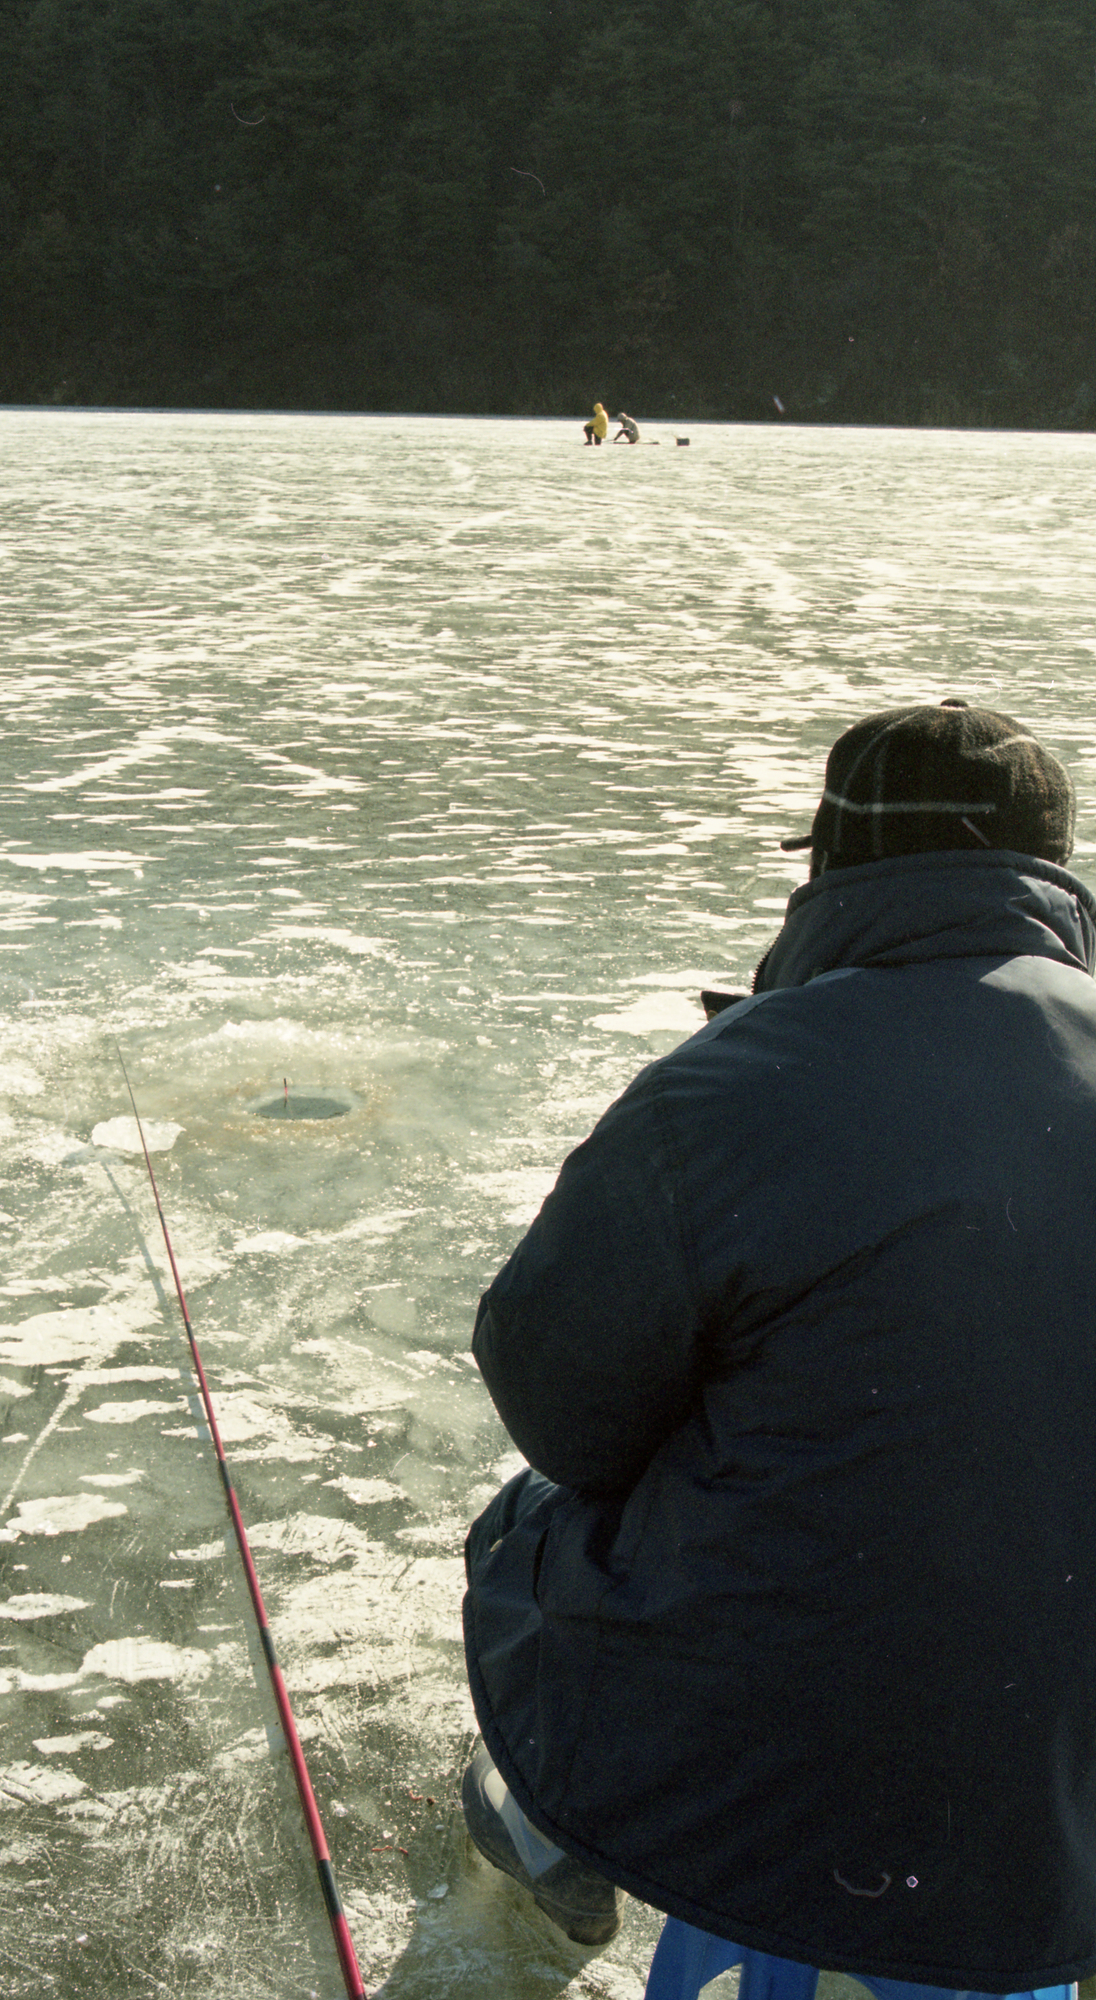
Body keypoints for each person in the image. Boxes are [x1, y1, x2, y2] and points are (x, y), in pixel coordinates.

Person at [461, 700, 1096, 1991]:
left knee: (524, 1528)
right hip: (1053, 1816)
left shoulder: (732, 1085)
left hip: (786, 1826)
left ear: (829, 862)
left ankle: (554, 1833)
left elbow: (555, 1404)